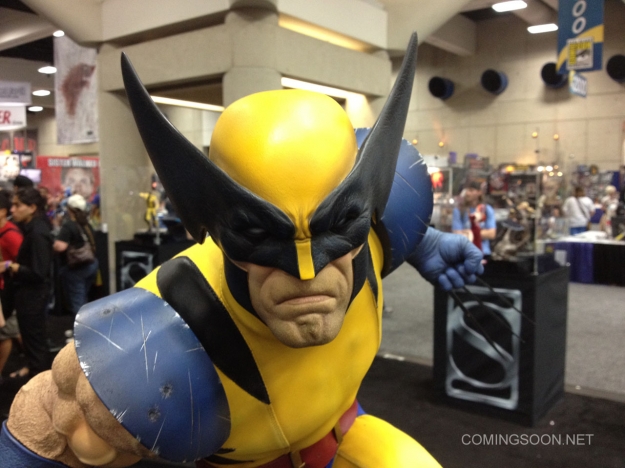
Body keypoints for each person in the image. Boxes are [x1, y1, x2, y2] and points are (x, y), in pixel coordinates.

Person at [2, 35, 483, 467]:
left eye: (337, 224)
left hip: (351, 437)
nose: (307, 270)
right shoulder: (166, 328)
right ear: (213, 223)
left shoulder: (378, 229)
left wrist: (422, 242)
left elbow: (381, 225)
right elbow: (44, 432)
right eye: (259, 235)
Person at [0, 188, 53, 382]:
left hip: (33, 297)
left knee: (35, 345)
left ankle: (41, 389)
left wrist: (12, 266)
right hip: (28, 296)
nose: (13, 209)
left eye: (17, 205)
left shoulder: (37, 232)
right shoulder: (33, 229)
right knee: (33, 344)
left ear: (32, 207)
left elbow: (39, 272)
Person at [53, 194, 99, 316]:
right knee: (83, 298)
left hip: (77, 268)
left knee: (77, 302)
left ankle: (82, 327)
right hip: (91, 264)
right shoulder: (86, 223)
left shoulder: (69, 225)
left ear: (69, 209)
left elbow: (60, 246)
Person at [0, 190, 23, 382]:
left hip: (9, 289)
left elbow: (23, 263)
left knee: (9, 331)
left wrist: (7, 266)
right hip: (6, 288)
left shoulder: (11, 234)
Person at [452, 180, 497, 256]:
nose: (467, 193)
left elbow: (491, 234)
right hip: (465, 253)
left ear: (479, 192)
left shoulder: (487, 210)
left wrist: (468, 233)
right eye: (466, 190)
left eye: (471, 190)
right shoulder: (459, 211)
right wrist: (480, 233)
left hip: (483, 253)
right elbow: (457, 235)